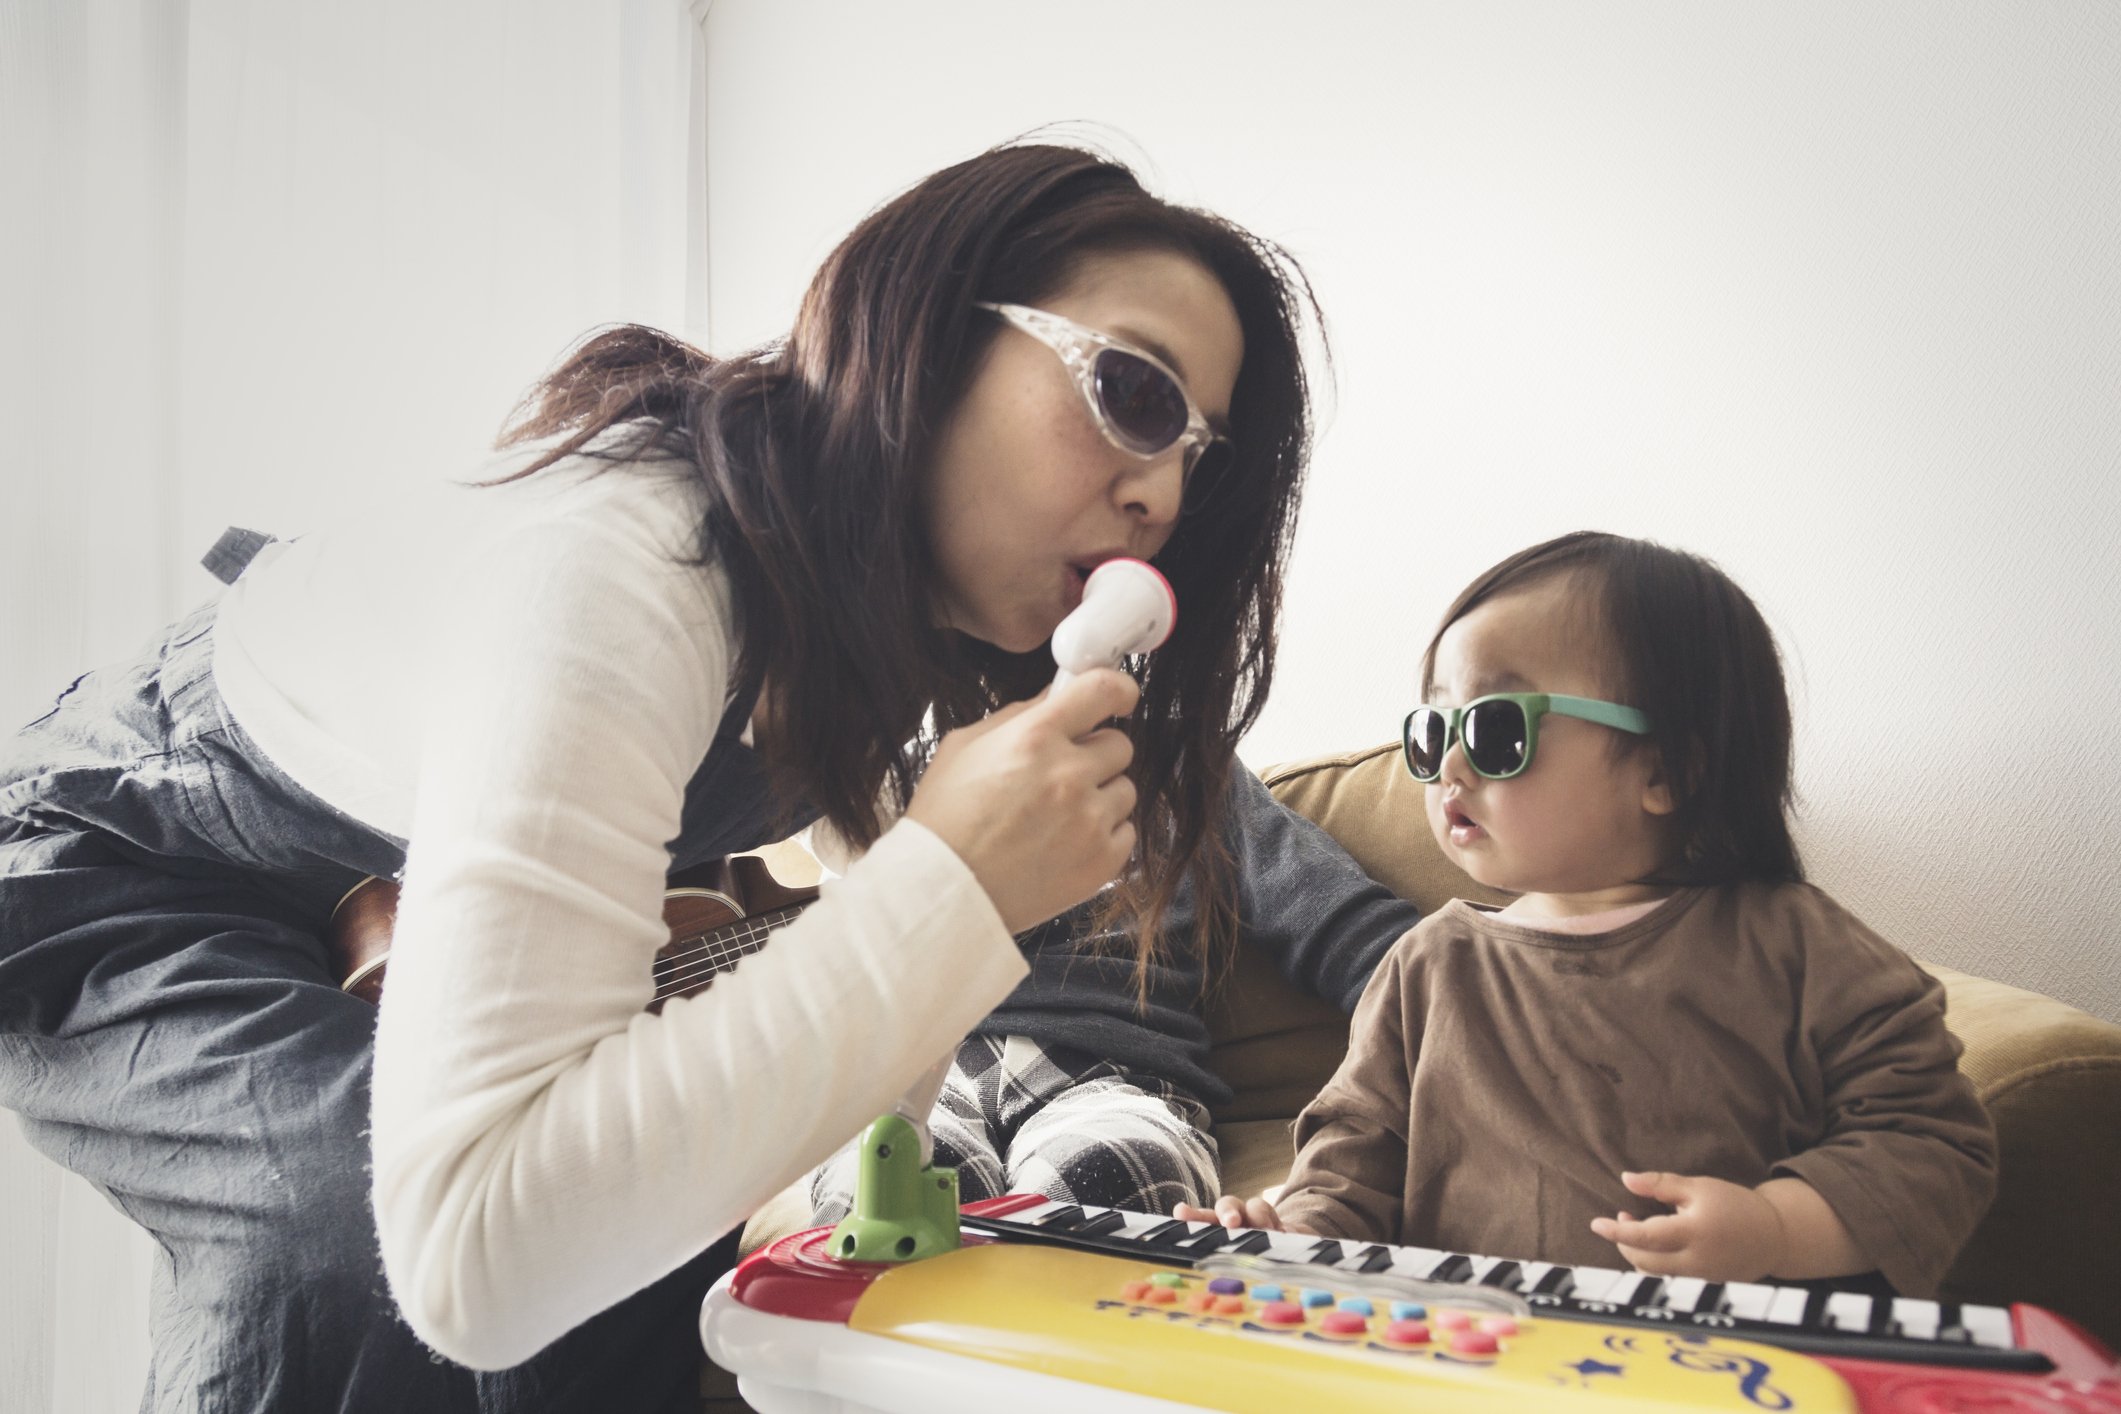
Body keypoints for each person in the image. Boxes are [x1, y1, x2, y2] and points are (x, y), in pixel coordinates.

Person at [0, 141, 1329, 1413]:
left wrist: (878, 1169)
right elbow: (469, 1256)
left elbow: (865, 1064)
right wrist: (955, 882)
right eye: (1136, 395)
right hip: (127, 851)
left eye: (1192, 460)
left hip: (382, 882)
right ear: (927, 328)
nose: (1158, 495)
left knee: (640, 1237)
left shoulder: (890, 646)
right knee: (343, 1229)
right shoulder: (632, 567)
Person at [1177, 531, 1997, 1298]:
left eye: (1497, 728)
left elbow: (1931, 1141)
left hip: (1707, 1369)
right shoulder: (1427, 965)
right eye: (1433, 731)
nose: (1447, 766)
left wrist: (1780, 1228)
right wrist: (1291, 1231)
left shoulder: (1792, 945)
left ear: (1666, 772)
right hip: (1463, 1357)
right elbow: (1351, 1164)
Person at [805, 766, 1421, 1228]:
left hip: (1114, 1075)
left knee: (1103, 1174)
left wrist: (1465, 1007)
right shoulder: (885, 779)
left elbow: (1345, 925)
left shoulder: (1183, 769)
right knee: (882, 1184)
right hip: (915, 1066)